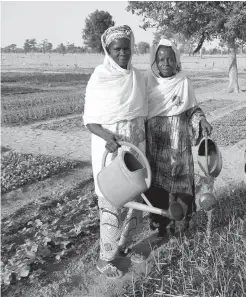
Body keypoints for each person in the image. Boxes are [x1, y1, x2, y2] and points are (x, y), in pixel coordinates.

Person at [83, 25, 148, 279]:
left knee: (137, 201)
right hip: (109, 151)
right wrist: (107, 136)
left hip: (135, 146)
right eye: (117, 49)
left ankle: (123, 248)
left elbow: (142, 114)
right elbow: (90, 120)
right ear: (108, 51)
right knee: (111, 205)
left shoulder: (137, 78)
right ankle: (104, 259)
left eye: (126, 48)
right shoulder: (100, 77)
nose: (123, 53)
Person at [144, 39, 213, 238]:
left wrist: (202, 120)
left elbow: (192, 108)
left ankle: (181, 223)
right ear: (155, 62)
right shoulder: (148, 81)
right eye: (161, 59)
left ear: (177, 60)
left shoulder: (183, 82)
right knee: (157, 183)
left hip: (178, 143)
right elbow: (139, 111)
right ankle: (161, 223)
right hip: (155, 142)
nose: (165, 63)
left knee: (180, 182)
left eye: (170, 59)